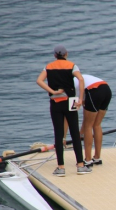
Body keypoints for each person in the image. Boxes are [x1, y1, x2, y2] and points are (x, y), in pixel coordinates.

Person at [36, 45, 91, 177]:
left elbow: (39, 80)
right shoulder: (72, 65)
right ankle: (80, 165)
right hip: (70, 101)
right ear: (66, 54)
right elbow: (81, 79)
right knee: (75, 133)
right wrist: (80, 98)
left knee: (58, 134)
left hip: (55, 103)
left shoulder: (48, 67)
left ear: (55, 55)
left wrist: (53, 91)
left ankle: (61, 167)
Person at [74, 74, 112, 167]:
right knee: (97, 125)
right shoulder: (80, 77)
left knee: (88, 126)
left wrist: (81, 133)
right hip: (106, 89)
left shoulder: (73, 83)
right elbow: (84, 105)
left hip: (94, 90)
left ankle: (88, 160)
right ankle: (97, 158)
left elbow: (76, 109)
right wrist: (81, 132)